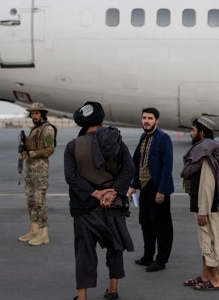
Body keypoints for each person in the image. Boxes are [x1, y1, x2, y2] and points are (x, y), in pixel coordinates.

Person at [64, 101, 135, 300]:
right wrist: (112, 193)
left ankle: (83, 295)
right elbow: (129, 169)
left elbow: (71, 177)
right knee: (115, 247)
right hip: (112, 207)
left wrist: (94, 193)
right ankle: (112, 289)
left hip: (84, 209)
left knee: (84, 252)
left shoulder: (73, 146)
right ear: (102, 119)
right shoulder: (116, 142)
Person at [180, 117, 219, 291]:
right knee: (205, 241)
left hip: (209, 208)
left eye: (193, 130)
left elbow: (207, 185)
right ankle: (205, 275)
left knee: (209, 242)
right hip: (207, 206)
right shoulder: (206, 149)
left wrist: (203, 211)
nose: (190, 133)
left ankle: (216, 279)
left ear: (202, 133)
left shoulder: (205, 153)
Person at [127, 107, 175, 273]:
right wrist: (133, 185)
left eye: (150, 118)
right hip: (144, 188)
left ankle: (161, 260)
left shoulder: (163, 138)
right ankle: (148, 256)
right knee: (146, 223)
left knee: (162, 226)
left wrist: (161, 191)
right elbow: (137, 162)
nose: (146, 121)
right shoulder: (144, 137)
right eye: (144, 118)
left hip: (158, 188)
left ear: (157, 121)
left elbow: (167, 166)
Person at [18, 102, 56, 246]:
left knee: (40, 201)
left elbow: (49, 149)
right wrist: (24, 151)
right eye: (32, 113)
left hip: (40, 170)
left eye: (36, 113)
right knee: (30, 200)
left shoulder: (47, 129)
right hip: (30, 169)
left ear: (42, 114)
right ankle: (34, 229)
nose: (34, 116)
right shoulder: (35, 129)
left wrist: (31, 153)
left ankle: (43, 234)